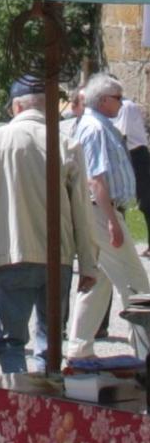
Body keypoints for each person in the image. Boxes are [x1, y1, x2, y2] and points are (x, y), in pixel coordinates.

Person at [0, 76, 99, 375]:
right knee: (51, 342)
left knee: (10, 342)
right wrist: (88, 262)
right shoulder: (66, 143)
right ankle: (49, 405)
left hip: (11, 253)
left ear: (17, 106)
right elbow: (82, 212)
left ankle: (20, 406)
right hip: (57, 256)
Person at [65, 72, 150, 363]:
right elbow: (96, 179)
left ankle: (79, 347)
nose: (122, 103)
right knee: (136, 283)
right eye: (118, 98)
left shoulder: (95, 124)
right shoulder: (96, 128)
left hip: (98, 211)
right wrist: (113, 220)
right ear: (103, 101)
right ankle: (146, 351)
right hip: (101, 211)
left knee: (97, 279)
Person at [113, 88, 150, 251]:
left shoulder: (126, 106)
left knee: (146, 201)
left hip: (136, 155)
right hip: (128, 154)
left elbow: (121, 134)